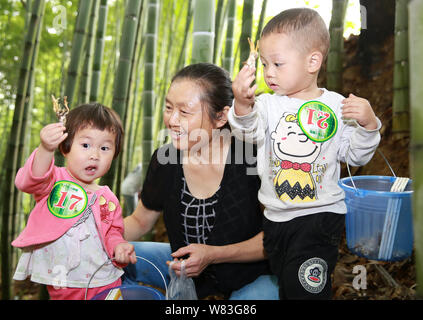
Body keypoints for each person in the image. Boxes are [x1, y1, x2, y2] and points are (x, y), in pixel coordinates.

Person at [229, 8, 381, 299]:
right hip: (274, 220)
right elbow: (246, 132)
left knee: (305, 289)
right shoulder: (267, 106)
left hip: (320, 217)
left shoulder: (336, 107)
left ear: (312, 61)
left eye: (277, 63)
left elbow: (355, 156)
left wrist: (369, 125)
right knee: (288, 285)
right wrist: (242, 105)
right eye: (264, 64)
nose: (268, 72)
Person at [123, 63, 279, 299]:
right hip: (183, 270)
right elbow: (140, 221)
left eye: (184, 112)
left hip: (249, 276)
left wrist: (213, 254)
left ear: (221, 117)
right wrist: (92, 235)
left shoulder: (252, 158)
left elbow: (275, 237)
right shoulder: (166, 160)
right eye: (168, 108)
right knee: (114, 257)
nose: (172, 120)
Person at [12, 103, 136, 300]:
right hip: (65, 279)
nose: (94, 155)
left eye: (104, 148)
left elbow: (112, 231)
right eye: (85, 145)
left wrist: (119, 245)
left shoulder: (107, 198)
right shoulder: (54, 181)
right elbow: (29, 182)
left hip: (105, 278)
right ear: (66, 147)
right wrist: (45, 149)